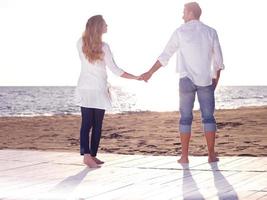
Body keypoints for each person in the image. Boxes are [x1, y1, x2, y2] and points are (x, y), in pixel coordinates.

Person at [140, 2, 224, 163]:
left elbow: (165, 55)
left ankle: (184, 157)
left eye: (184, 12)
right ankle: (211, 155)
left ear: (191, 12)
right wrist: (215, 80)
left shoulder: (180, 32)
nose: (182, 15)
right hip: (206, 80)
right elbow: (218, 61)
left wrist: (150, 72)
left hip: (185, 80)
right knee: (209, 118)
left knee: (185, 118)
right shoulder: (211, 32)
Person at [75, 15, 140, 168]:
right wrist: (136, 77)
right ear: (99, 27)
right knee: (92, 124)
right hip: (96, 88)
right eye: (105, 24)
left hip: (88, 87)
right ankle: (87, 156)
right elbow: (115, 70)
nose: (107, 25)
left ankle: (91, 155)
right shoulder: (103, 47)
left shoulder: (80, 43)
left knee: (92, 124)